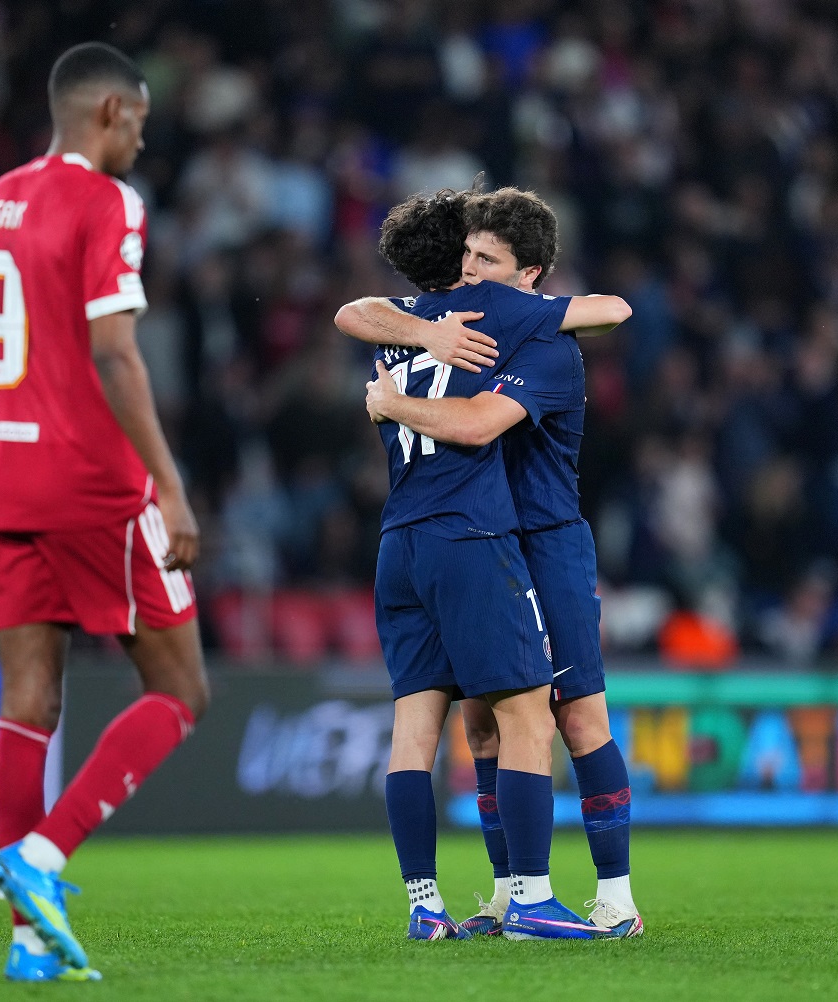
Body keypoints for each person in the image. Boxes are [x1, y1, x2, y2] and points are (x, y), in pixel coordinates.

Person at [0, 43, 210, 981]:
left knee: (27, 704)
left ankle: (29, 945)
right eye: (139, 119)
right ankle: (42, 855)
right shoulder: (108, 202)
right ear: (108, 111)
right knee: (181, 690)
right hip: (91, 482)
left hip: (3, 479)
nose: (142, 138)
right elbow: (114, 351)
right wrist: (169, 483)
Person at [338, 186, 642, 937]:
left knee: (578, 717)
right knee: (483, 729)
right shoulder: (460, 326)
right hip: (479, 543)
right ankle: (510, 893)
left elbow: (482, 420)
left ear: (529, 274)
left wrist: (391, 402)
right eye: (467, 254)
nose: (472, 270)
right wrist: (426, 331)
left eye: (489, 260)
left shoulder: (544, 344)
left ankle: (617, 896)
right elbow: (358, 311)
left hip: (543, 540)